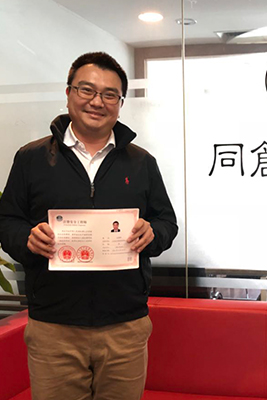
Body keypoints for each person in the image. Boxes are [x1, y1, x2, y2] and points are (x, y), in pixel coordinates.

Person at [0, 52, 178, 400]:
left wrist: (153, 233)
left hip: (124, 327)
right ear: (69, 93)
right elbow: (7, 221)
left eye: (110, 94)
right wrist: (27, 238)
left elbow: (166, 222)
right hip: (53, 329)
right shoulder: (31, 158)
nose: (97, 102)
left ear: (120, 104)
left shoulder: (141, 162)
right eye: (87, 90)